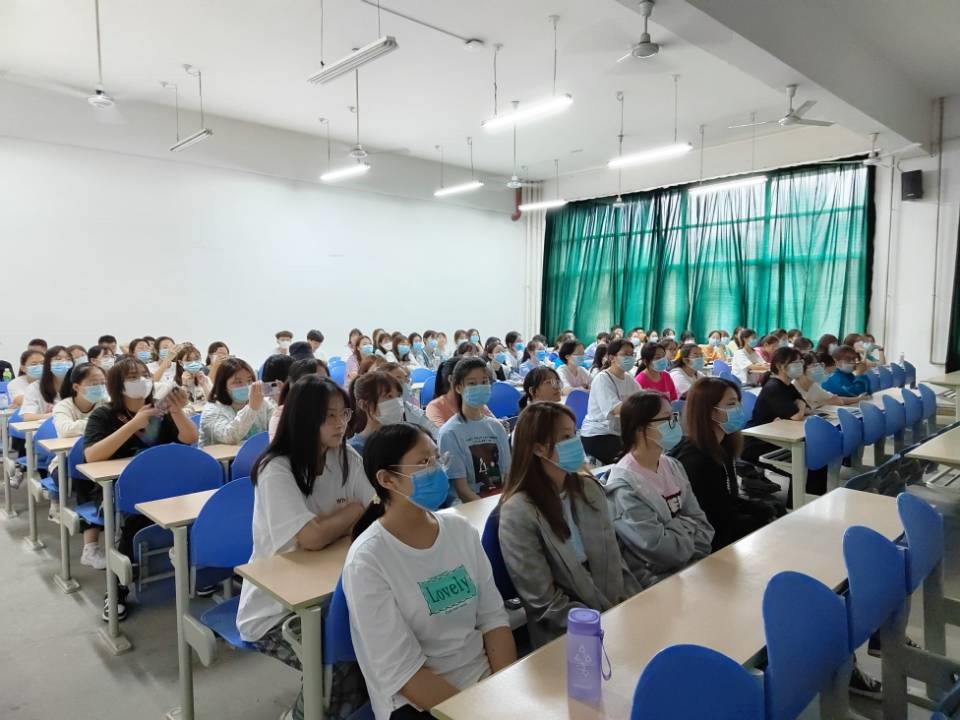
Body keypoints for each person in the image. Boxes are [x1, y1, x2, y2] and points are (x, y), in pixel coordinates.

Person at [344, 423, 516, 720]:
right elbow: (404, 673)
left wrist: (504, 690)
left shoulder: (460, 530)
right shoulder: (368, 561)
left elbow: (493, 620)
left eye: (437, 458)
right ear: (387, 479)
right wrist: (475, 713)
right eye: (424, 462)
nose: (437, 469)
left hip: (484, 683)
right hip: (420, 704)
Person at [237, 376, 372, 720]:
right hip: (277, 609)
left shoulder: (346, 456)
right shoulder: (277, 469)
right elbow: (310, 538)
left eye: (344, 414)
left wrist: (342, 521)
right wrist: (351, 512)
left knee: (378, 646)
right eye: (329, 416)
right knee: (337, 668)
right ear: (303, 418)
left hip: (333, 589)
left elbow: (374, 512)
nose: (341, 424)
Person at [499, 402, 641, 647]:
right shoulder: (518, 512)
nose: (575, 442)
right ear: (538, 449)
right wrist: (603, 622)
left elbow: (615, 560)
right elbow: (544, 602)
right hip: (566, 632)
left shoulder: (588, 489)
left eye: (574, 434)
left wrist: (630, 606)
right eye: (565, 437)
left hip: (614, 612)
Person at [83, 356, 196, 620]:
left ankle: (196, 570)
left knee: (193, 513)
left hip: (164, 485)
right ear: (117, 384)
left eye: (145, 375)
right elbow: (92, 456)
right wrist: (134, 424)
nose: (142, 381)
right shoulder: (104, 414)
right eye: (133, 377)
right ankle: (117, 591)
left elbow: (190, 438)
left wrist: (177, 411)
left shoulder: (160, 410)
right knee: (134, 521)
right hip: (119, 490)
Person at [604, 392, 714, 583]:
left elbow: (703, 525)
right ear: (640, 428)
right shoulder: (625, 486)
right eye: (667, 418)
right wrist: (688, 528)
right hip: (655, 580)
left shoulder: (672, 465)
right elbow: (658, 549)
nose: (674, 424)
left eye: (674, 416)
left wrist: (673, 531)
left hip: (693, 564)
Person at [668, 378, 776, 550]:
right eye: (731, 404)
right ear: (710, 411)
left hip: (723, 527)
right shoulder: (697, 460)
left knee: (773, 510)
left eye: (738, 402)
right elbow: (715, 520)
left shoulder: (721, 446)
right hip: (708, 541)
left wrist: (762, 509)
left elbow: (726, 501)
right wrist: (760, 520)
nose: (739, 409)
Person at [53, 362, 108, 566]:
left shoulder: (105, 402)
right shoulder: (64, 406)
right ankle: (90, 548)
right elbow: (65, 429)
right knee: (86, 477)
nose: (99, 387)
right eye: (94, 383)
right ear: (76, 386)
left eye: (102, 382)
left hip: (100, 461)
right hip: (64, 465)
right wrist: (98, 423)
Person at [437, 358, 511, 505]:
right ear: (458, 388)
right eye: (472, 383)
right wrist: (492, 512)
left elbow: (507, 476)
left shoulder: (496, 427)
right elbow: (462, 491)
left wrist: (506, 505)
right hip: (469, 506)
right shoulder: (449, 433)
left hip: (499, 501)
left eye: (484, 382)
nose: (480, 387)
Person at [580, 339, 640, 465]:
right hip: (598, 433)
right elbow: (614, 410)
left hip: (619, 432)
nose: (630, 358)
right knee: (628, 462)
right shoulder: (602, 379)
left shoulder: (629, 378)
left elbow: (642, 397)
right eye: (626, 354)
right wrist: (640, 405)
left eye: (632, 354)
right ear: (612, 358)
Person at [199, 358, 275, 447]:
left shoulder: (262, 403)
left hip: (256, 454)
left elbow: (278, 430)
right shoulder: (212, 409)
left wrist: (279, 402)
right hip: (222, 456)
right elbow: (229, 437)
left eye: (249, 380)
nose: (246, 386)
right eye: (238, 382)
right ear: (223, 386)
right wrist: (252, 408)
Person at [268, 358, 328, 440]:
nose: (322, 387)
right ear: (295, 387)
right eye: (314, 382)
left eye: (326, 381)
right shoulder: (280, 417)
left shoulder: (332, 409)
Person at [348, 371, 405, 457]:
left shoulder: (404, 441)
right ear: (364, 405)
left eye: (398, 396)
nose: (397, 402)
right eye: (389, 396)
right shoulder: (355, 450)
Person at [381, 362, 437, 439]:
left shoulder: (410, 409)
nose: (405, 382)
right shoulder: (381, 413)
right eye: (398, 378)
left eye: (406, 377)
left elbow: (434, 432)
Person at [793, 352, 859, 409]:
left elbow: (838, 400)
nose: (819, 368)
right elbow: (803, 409)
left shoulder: (814, 386)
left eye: (819, 365)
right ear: (802, 368)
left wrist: (818, 404)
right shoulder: (793, 388)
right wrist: (823, 403)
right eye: (814, 365)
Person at [22, 345, 72, 420]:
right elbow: (28, 416)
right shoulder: (35, 387)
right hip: (45, 426)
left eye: (68, 359)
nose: (64, 362)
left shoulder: (77, 385)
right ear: (47, 363)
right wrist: (56, 415)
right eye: (58, 359)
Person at [173, 344, 213, 414]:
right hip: (187, 417)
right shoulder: (175, 383)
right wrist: (184, 385)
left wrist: (204, 384)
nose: (193, 363)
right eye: (188, 360)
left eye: (196, 359)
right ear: (181, 363)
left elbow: (213, 402)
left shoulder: (205, 379)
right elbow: (178, 407)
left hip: (206, 415)